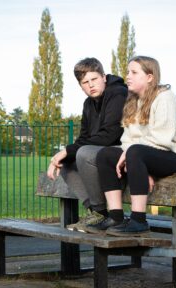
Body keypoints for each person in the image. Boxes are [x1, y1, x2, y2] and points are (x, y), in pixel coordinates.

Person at [85, 56, 176, 236]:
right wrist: (138, 164)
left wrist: (134, 157)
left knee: (134, 151)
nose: (128, 77)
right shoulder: (133, 102)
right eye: (127, 72)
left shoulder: (165, 97)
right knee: (106, 155)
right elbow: (128, 139)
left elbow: (161, 139)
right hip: (153, 155)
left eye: (134, 72)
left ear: (150, 77)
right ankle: (116, 216)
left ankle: (139, 220)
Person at [47, 57, 127, 231]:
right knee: (67, 162)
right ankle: (97, 214)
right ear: (80, 85)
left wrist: (69, 150)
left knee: (82, 153)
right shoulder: (88, 104)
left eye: (94, 79)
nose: (91, 85)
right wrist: (64, 154)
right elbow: (84, 137)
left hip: (123, 152)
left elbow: (110, 135)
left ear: (104, 77)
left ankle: (101, 213)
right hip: (101, 154)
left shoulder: (118, 93)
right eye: (85, 82)